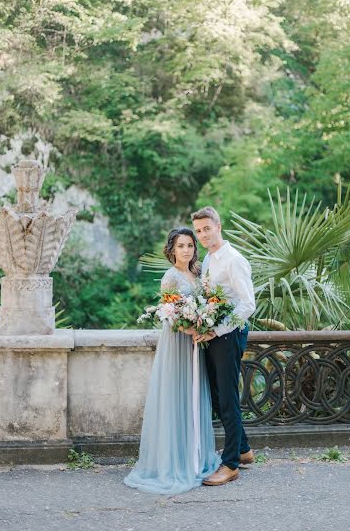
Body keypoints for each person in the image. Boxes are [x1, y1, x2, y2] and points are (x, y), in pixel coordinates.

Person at [124, 227, 220, 494]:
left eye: (190, 245)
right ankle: (174, 462)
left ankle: (196, 456)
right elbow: (169, 314)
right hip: (178, 343)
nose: (186, 250)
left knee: (195, 397)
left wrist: (204, 322)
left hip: (197, 344)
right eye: (181, 246)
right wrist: (192, 329)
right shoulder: (170, 277)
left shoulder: (199, 273)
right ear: (172, 250)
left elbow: (208, 303)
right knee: (176, 396)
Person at [191, 206, 256, 486]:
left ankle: (230, 464)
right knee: (217, 395)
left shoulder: (233, 259)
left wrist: (217, 329)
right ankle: (244, 450)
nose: (203, 235)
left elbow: (247, 304)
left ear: (218, 226)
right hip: (214, 335)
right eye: (198, 231)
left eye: (207, 228)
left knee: (227, 398)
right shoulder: (207, 259)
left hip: (229, 335)